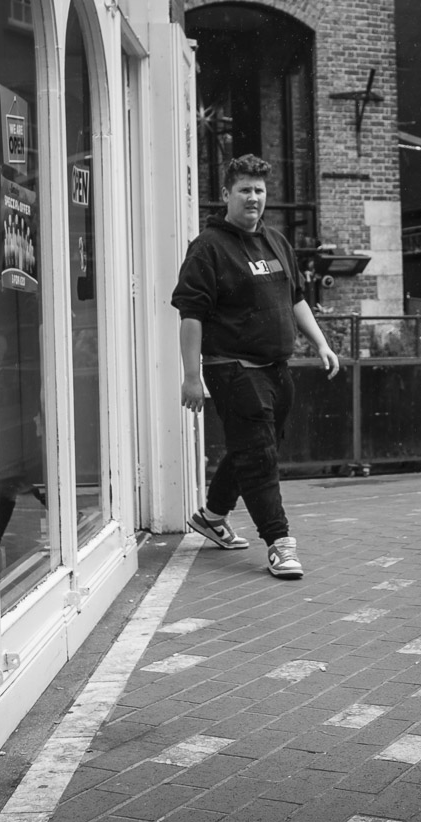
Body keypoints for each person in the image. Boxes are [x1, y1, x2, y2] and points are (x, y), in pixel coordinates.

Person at [171, 154, 340, 580]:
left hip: (276, 368)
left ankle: (211, 516)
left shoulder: (277, 242)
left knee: (252, 448)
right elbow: (190, 314)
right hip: (232, 368)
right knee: (260, 454)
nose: (253, 198)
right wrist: (192, 377)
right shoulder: (208, 248)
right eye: (244, 189)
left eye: (260, 190)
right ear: (227, 194)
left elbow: (296, 297)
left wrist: (320, 343)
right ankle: (280, 542)